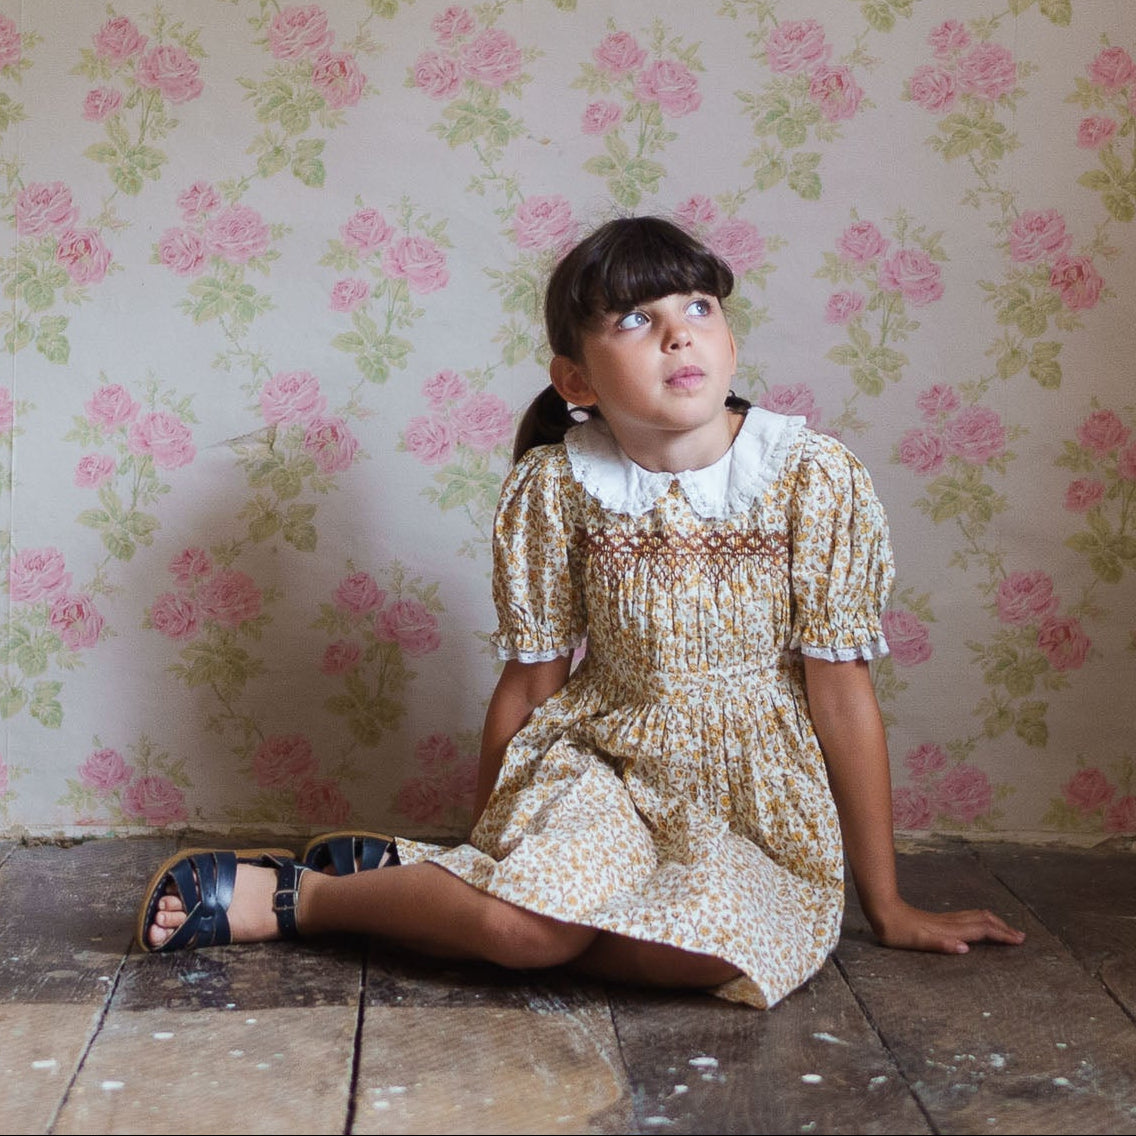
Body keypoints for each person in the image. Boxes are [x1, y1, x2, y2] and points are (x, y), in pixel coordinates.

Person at [138, 215, 1024, 1008]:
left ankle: (421, 892)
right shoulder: (559, 485)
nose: (679, 332)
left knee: (708, 954)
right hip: (602, 768)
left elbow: (842, 695)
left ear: (729, 338)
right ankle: (307, 898)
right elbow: (531, 683)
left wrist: (887, 902)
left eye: (698, 307)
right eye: (635, 319)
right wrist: (489, 857)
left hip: (754, 796)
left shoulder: (811, 476)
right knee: (524, 928)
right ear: (577, 377)